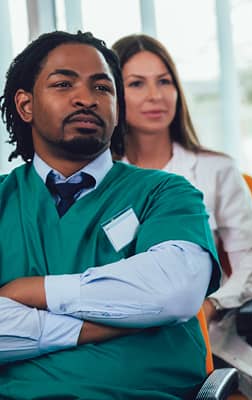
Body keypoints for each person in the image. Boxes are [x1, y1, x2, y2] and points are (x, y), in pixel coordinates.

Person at [0, 31, 219, 398]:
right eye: (63, 84)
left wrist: (34, 291)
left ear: (117, 110)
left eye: (102, 88)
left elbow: (174, 292)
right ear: (26, 105)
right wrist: (111, 321)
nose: (86, 98)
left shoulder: (166, 193)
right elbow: (153, 298)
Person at [111, 34, 252, 398]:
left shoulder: (217, 170)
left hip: (206, 338)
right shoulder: (103, 179)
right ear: (113, 96)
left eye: (164, 81)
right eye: (137, 83)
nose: (155, 95)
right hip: (120, 342)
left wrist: (212, 306)